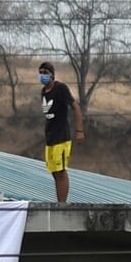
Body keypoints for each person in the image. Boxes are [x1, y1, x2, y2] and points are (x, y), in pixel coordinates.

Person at [39, 61, 85, 203]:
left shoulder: (60, 88)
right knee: (53, 171)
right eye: (40, 73)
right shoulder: (43, 92)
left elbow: (75, 107)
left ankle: (62, 204)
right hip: (50, 138)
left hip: (61, 137)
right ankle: (59, 201)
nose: (42, 76)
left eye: (45, 73)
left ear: (52, 75)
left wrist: (79, 130)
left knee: (61, 172)